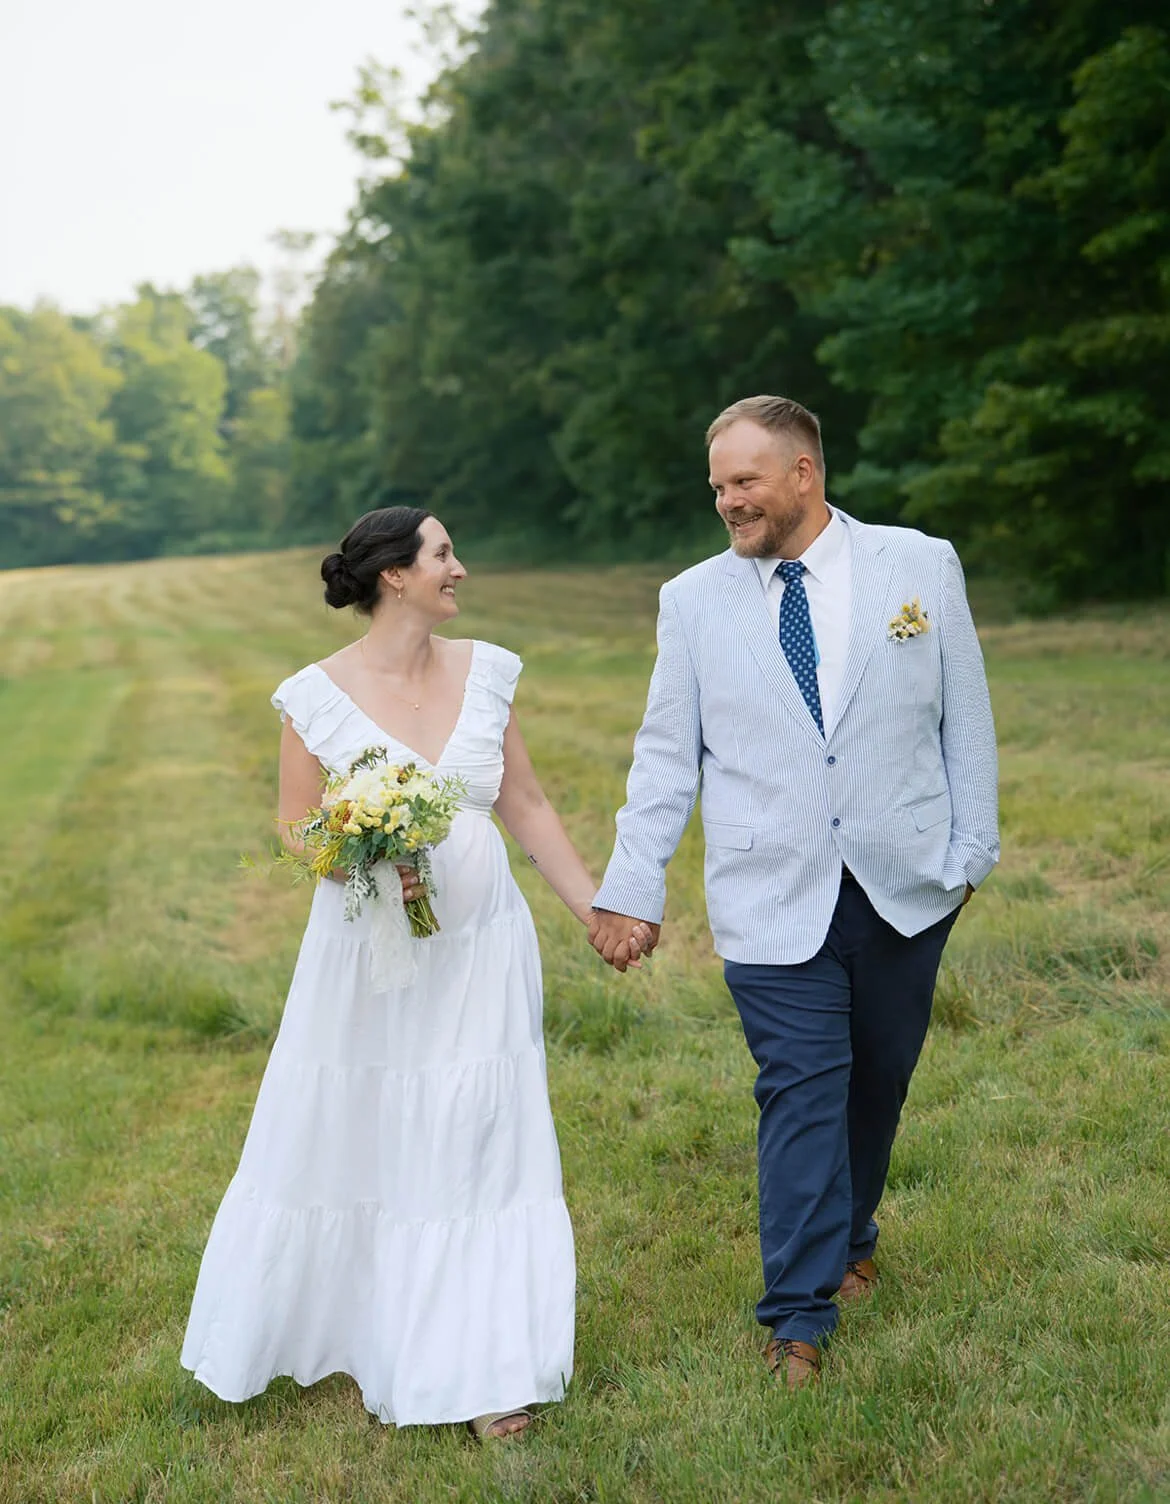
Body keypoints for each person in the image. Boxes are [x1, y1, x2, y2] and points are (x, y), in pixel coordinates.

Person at [181, 506, 649, 1439]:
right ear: (394, 575)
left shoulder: (488, 672)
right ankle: (365, 1324)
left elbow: (527, 801)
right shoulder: (312, 697)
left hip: (481, 947)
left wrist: (596, 908)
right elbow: (294, 827)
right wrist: (361, 847)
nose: (460, 569)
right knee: (365, 1131)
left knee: (476, 1132)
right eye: (443, 555)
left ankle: (480, 1373)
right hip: (368, 960)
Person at [588, 396, 999, 1389]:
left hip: (905, 881)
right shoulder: (693, 601)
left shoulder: (918, 564)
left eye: (745, 481)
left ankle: (853, 1230)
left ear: (804, 474)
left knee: (878, 1078)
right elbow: (664, 756)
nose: (727, 501)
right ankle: (797, 1316)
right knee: (801, 1090)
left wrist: (969, 851)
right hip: (769, 888)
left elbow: (966, 713)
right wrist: (630, 887)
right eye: (718, 485)